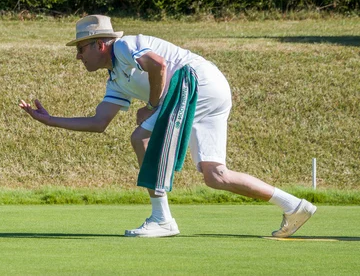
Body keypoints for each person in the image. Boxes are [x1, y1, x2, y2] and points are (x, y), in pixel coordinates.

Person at [19, 15, 316, 238]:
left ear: (100, 44)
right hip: (212, 89)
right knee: (216, 175)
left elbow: (158, 65)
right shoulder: (117, 80)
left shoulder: (123, 46)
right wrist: (50, 120)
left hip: (196, 81)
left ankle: (162, 220)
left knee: (140, 138)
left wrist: (151, 104)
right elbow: (99, 123)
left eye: (81, 48)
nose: (78, 55)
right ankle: (294, 206)